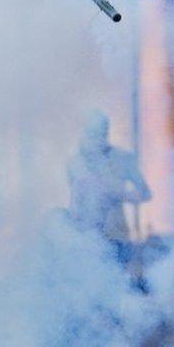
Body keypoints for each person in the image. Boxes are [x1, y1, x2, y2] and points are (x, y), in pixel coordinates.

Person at [67, 110, 151, 265]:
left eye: (100, 132)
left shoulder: (124, 159)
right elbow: (75, 202)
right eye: (91, 132)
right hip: (87, 237)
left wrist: (121, 194)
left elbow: (145, 193)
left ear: (106, 131)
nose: (96, 138)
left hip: (117, 236)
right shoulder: (75, 162)